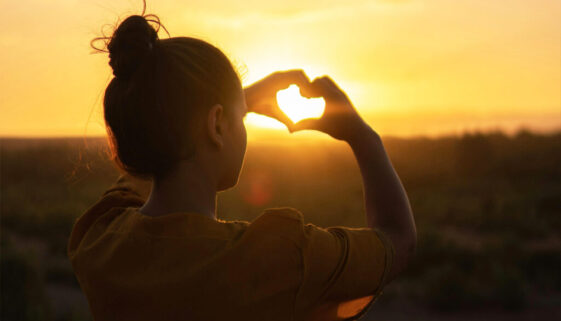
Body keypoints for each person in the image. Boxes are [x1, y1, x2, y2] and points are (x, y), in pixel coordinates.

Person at [67, 11, 416, 321]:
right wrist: (364, 136)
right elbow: (397, 239)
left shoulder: (99, 240)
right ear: (217, 125)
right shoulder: (278, 257)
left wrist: (231, 103)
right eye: (240, 117)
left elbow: (154, 153)